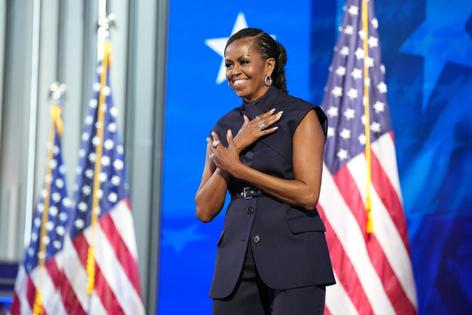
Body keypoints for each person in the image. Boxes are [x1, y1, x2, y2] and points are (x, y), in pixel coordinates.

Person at [195, 28, 335, 315]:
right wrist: (232, 157)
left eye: (244, 62)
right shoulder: (223, 127)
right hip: (235, 265)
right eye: (229, 64)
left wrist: (239, 169)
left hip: (295, 258)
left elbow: (308, 194)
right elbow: (205, 210)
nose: (235, 71)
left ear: (268, 66)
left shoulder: (301, 115)